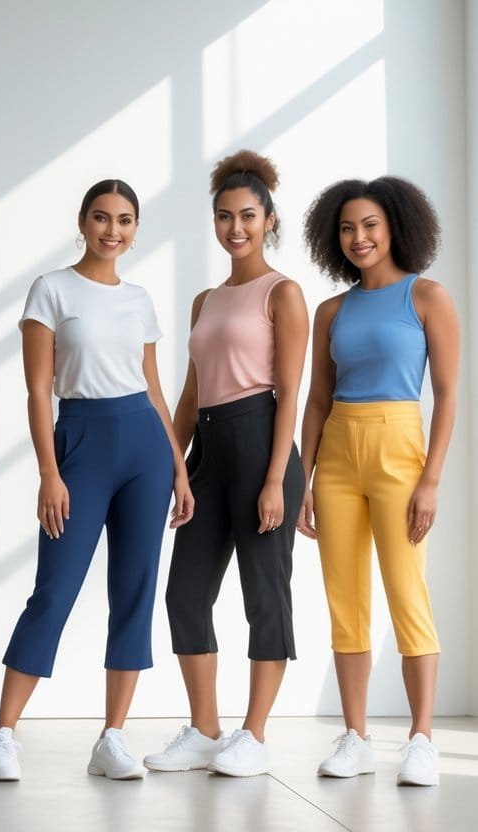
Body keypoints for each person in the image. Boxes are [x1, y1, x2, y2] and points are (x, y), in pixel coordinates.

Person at [0, 180, 193, 782]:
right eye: (101, 218)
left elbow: (153, 387)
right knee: (54, 590)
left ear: (135, 229)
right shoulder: (50, 290)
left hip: (145, 448)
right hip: (80, 441)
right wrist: (49, 472)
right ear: (82, 222)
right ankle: (4, 733)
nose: (112, 230)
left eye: (125, 220)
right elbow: (37, 391)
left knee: (134, 590)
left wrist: (178, 465)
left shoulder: (140, 298)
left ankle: (112, 736)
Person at [144, 150, 308, 778]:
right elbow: (190, 392)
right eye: (223, 216)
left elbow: (291, 390)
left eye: (247, 215)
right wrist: (173, 464)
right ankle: (206, 729)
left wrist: (274, 479)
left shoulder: (282, 293)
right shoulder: (205, 300)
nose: (234, 227)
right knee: (185, 594)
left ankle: (254, 735)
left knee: (264, 594)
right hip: (207, 449)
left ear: (268, 219)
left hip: (262, 442)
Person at [298, 177, 458, 787]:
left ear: (394, 226)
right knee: (346, 600)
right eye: (346, 228)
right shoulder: (331, 311)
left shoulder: (427, 298)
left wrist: (431, 480)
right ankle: (356, 736)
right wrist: (304, 479)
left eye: (368, 225)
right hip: (337, 452)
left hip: (400, 448)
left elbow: (445, 396)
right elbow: (315, 400)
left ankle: (421, 738)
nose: (358, 238)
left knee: (407, 594)